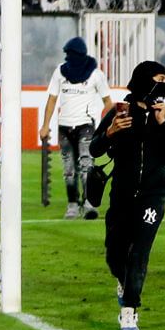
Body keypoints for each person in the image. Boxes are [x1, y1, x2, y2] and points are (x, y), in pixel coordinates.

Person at [88, 61, 165, 330]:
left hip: (152, 196)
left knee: (140, 253)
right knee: (115, 254)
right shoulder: (119, 112)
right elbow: (95, 149)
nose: (164, 84)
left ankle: (129, 310)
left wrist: (164, 123)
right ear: (144, 80)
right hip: (121, 193)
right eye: (159, 78)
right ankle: (122, 280)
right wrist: (111, 132)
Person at [40, 37, 113, 220]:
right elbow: (52, 100)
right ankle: (72, 204)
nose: (68, 58)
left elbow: (108, 102)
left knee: (86, 165)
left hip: (86, 126)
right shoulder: (60, 72)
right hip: (64, 126)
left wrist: (109, 125)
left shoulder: (96, 75)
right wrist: (45, 125)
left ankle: (89, 203)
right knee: (68, 169)